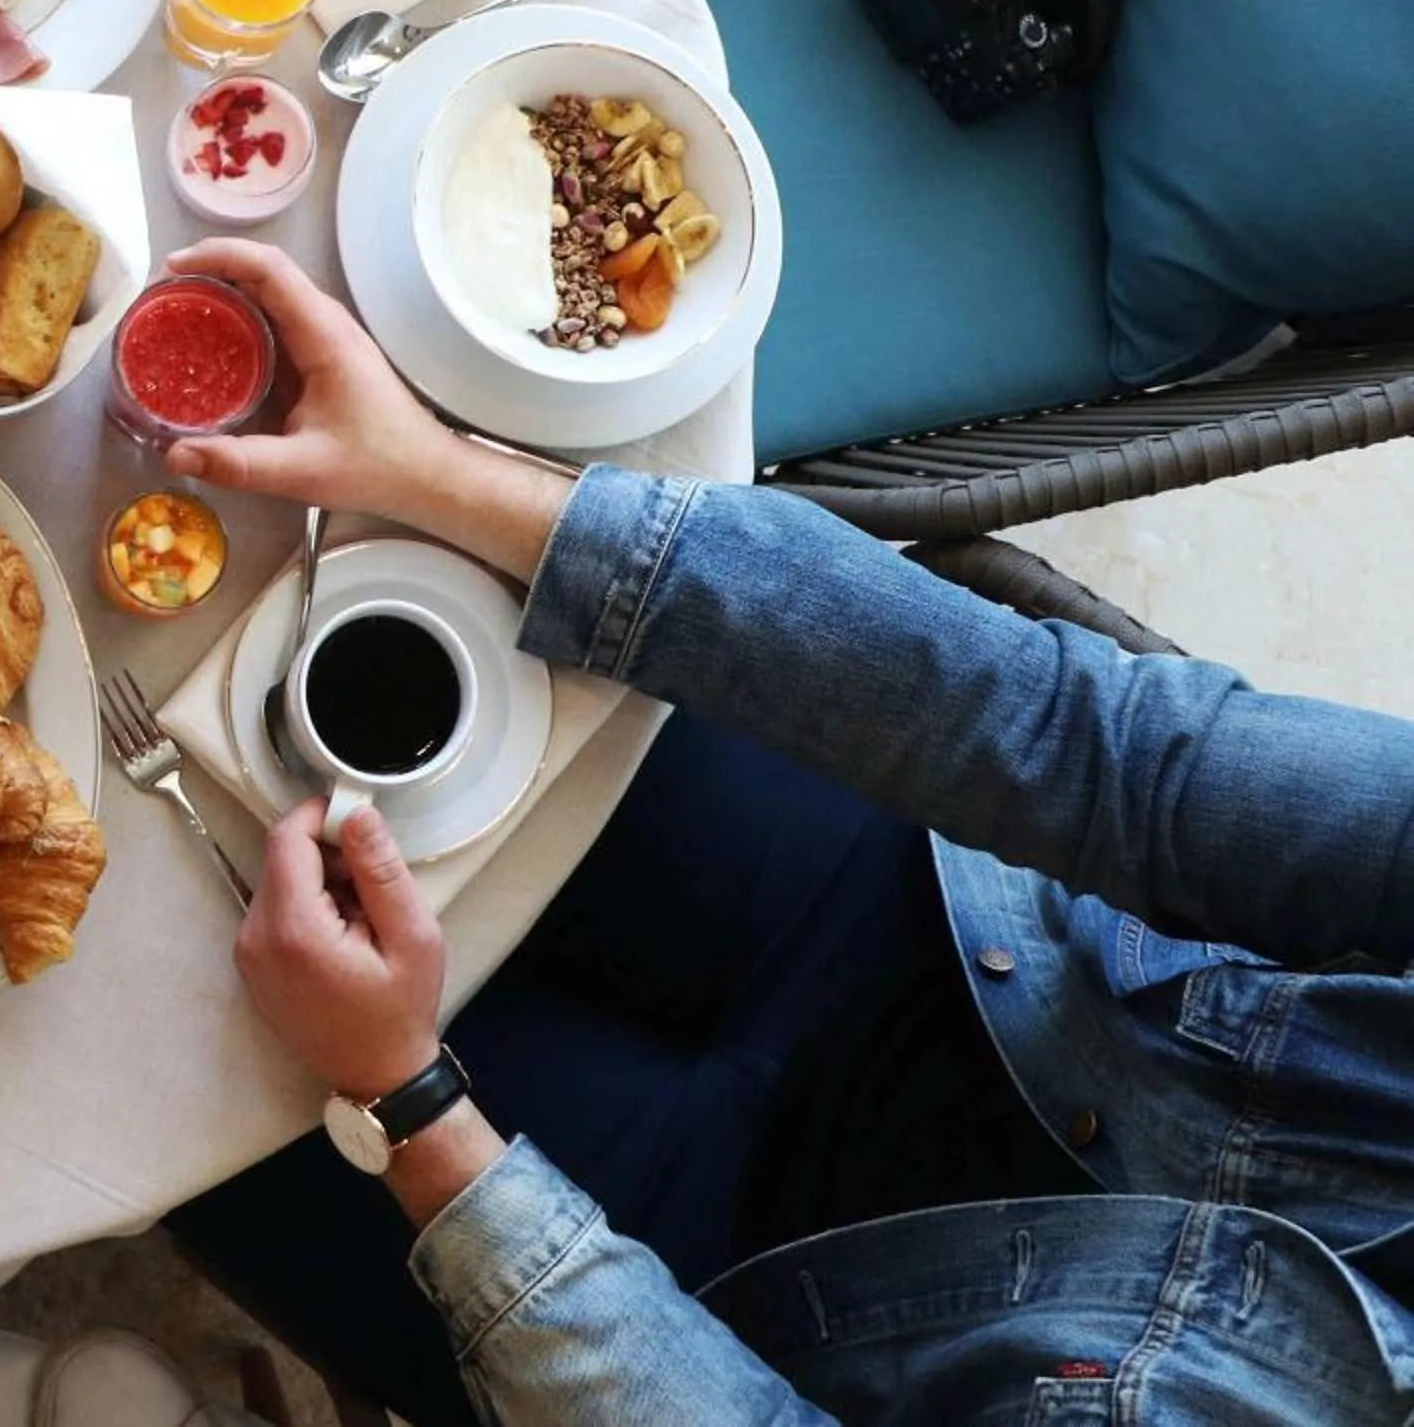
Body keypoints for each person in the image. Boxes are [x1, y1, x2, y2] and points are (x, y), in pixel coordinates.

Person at [156, 238, 1414, 1424]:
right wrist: (428, 468)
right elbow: (1102, 756)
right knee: (362, 632)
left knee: (149, 1025)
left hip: (702, 1305)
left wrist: (412, 1103)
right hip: (944, 945)